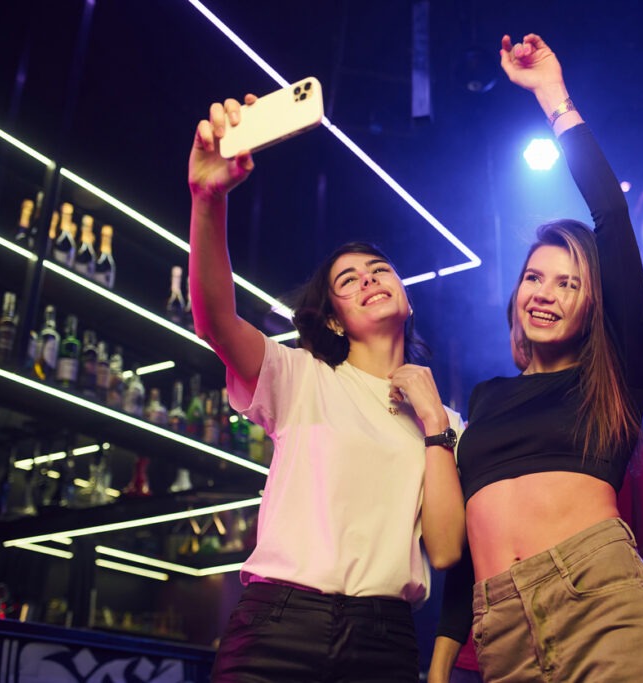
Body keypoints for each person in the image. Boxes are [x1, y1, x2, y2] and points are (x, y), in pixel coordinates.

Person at [431, 33, 643, 682]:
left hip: (604, 605)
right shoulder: (486, 397)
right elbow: (463, 547)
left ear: (593, 304)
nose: (544, 293)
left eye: (568, 282)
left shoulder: (615, 378)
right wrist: (439, 665)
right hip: (501, 626)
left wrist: (552, 96)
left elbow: (610, 213)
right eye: (534, 277)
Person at [188, 93, 465, 681]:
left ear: (406, 296)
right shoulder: (300, 375)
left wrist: (436, 425)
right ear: (333, 318)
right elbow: (213, 318)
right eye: (348, 280)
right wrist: (207, 201)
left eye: (379, 272)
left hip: (385, 636)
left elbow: (444, 551)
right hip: (278, 625)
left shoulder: (446, 422)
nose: (368, 280)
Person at [429, 451, 643, 682]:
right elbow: (466, 555)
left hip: (593, 647)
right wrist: (440, 664)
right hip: (483, 647)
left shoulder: (616, 434)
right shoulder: (487, 433)